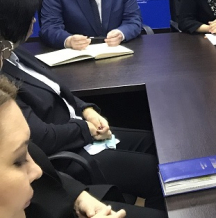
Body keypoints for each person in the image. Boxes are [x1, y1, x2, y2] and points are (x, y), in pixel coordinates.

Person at [0, 0, 164, 211]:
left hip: (80, 129)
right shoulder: (3, 76)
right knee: (157, 173)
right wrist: (85, 129)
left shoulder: (15, 52)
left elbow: (58, 90)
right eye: (29, 17)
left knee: (156, 143)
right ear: (11, 23)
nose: (34, 22)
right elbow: (41, 138)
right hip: (67, 152)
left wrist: (87, 110)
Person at [0, 73, 163, 218]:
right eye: (18, 161)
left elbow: (44, 167)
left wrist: (77, 196)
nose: (38, 171)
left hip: (61, 199)